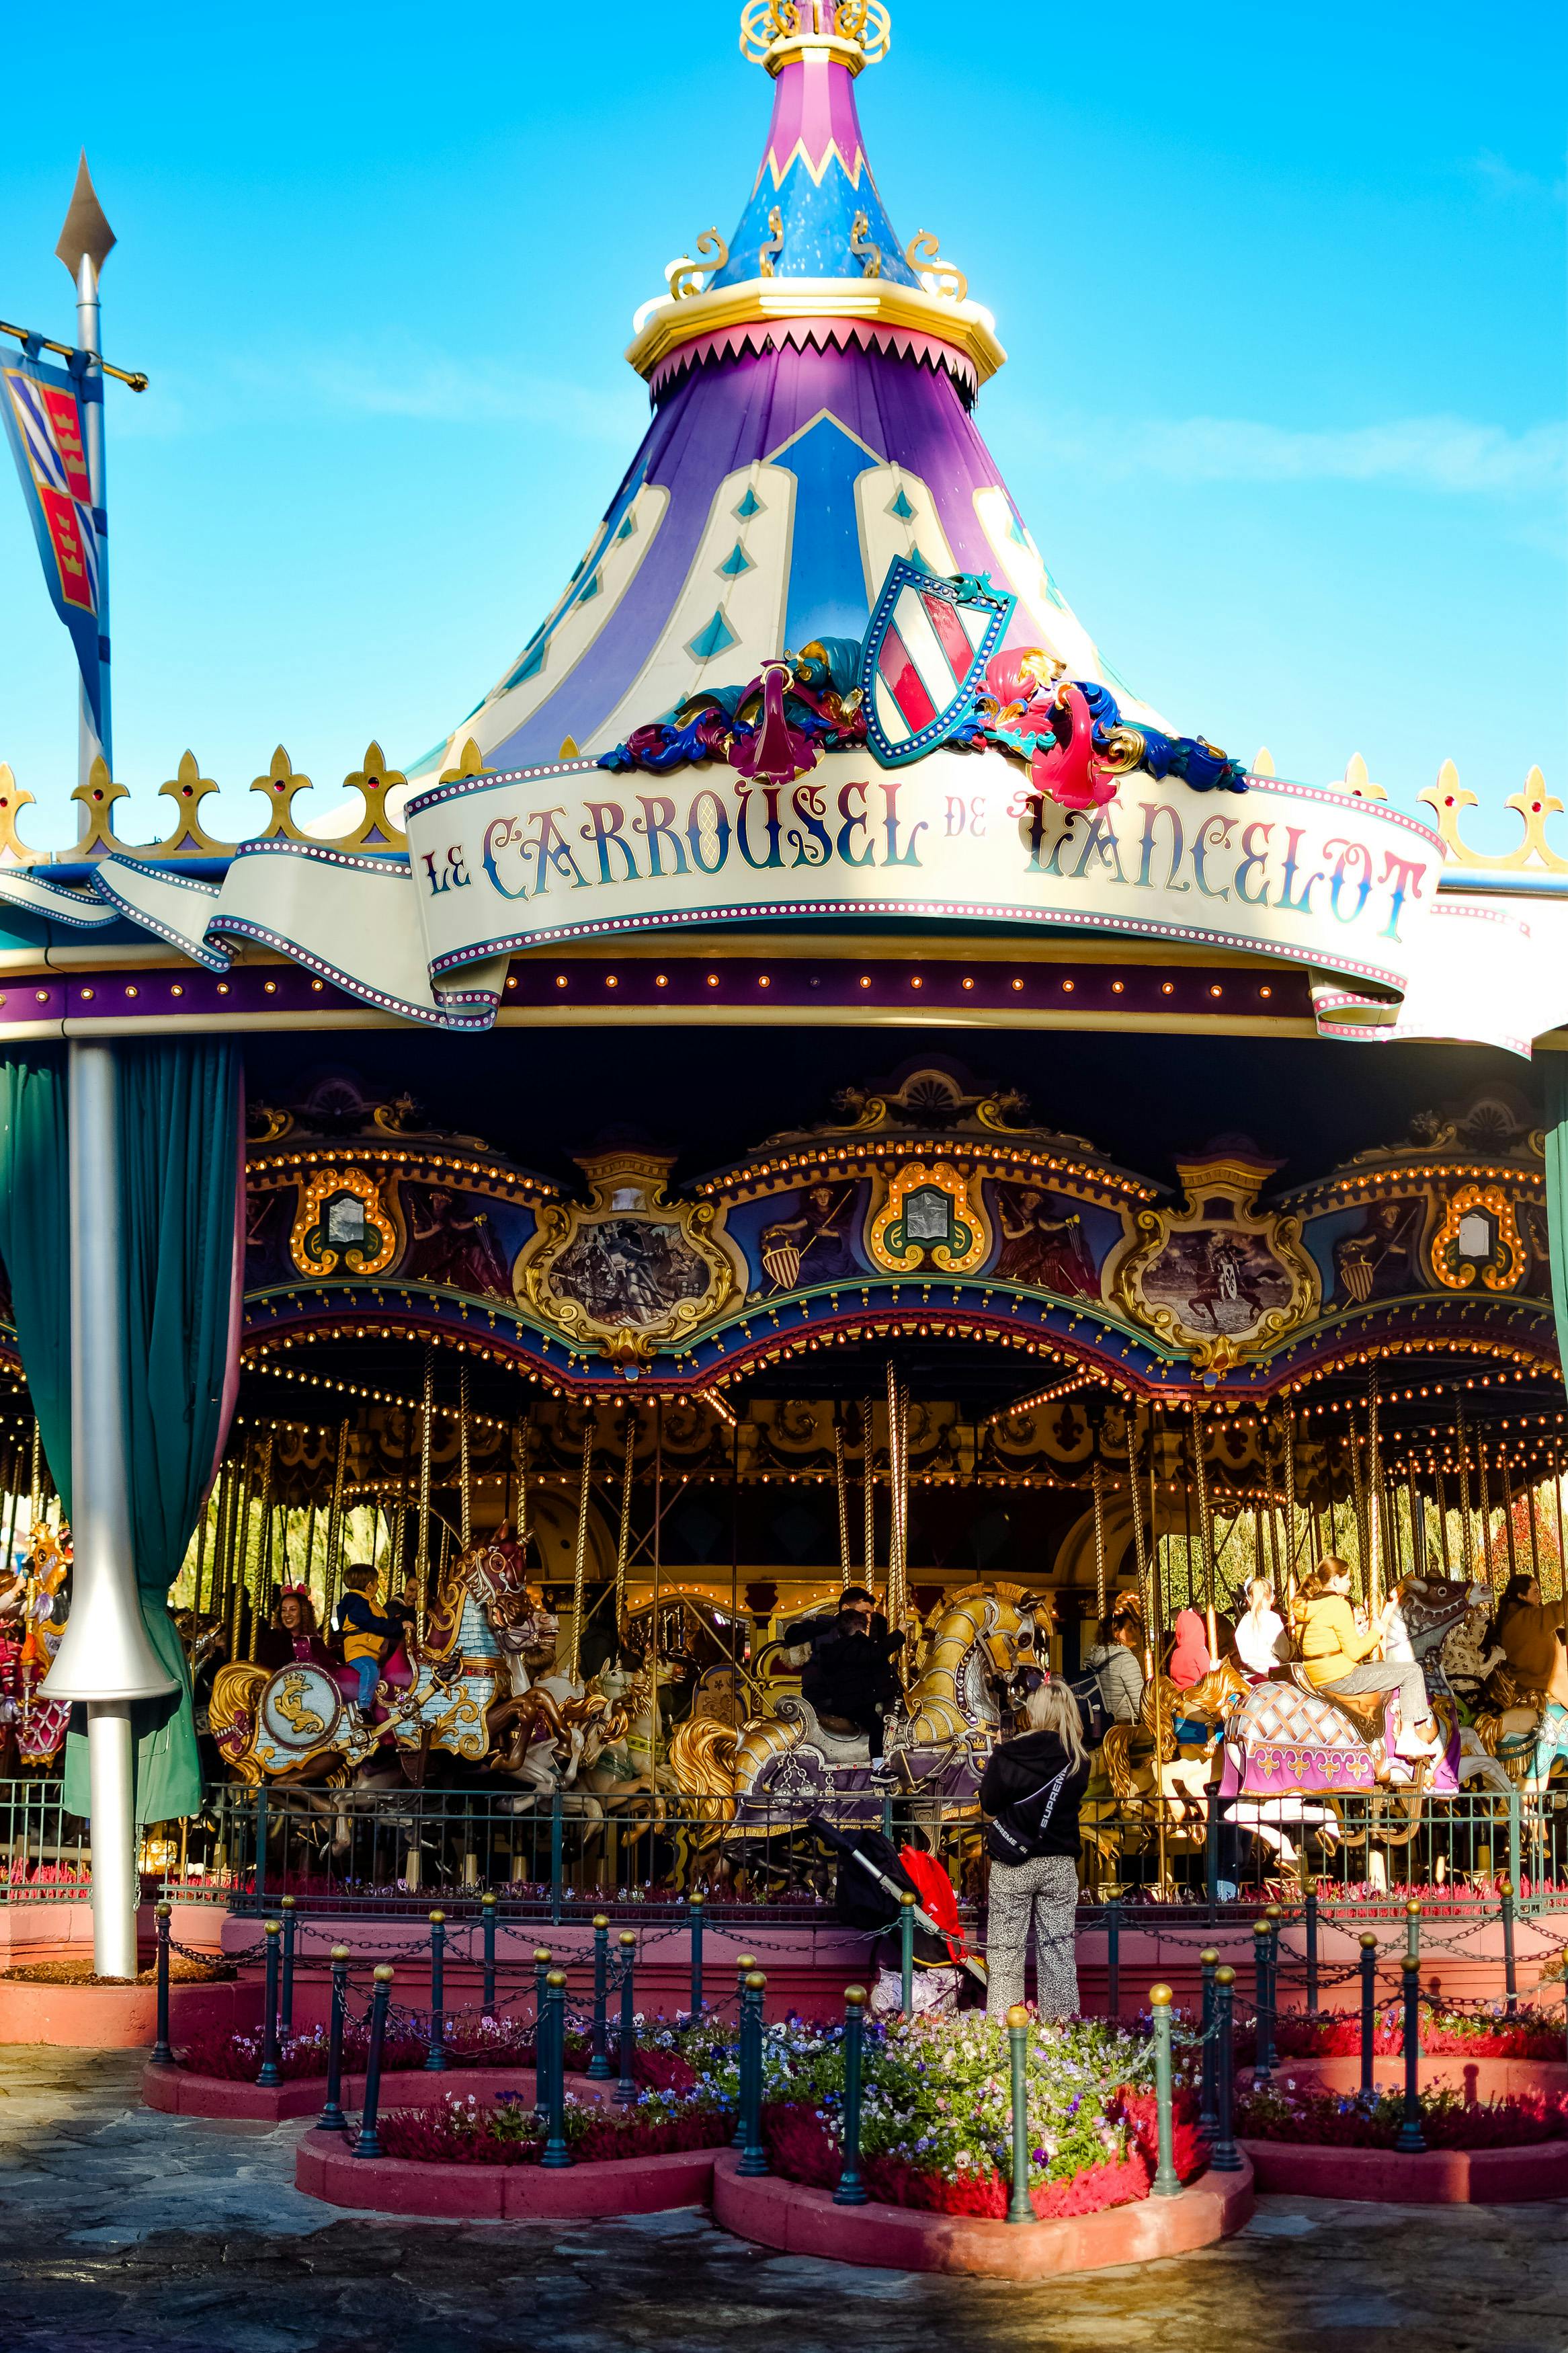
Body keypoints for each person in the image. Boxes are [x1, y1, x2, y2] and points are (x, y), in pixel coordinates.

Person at [980, 1674, 1090, 2019]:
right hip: (1058, 1863)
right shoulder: (1078, 1760)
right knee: (1058, 1951)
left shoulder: (1009, 1753)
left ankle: (1004, 2024)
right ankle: (1060, 2027)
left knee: (1006, 1951)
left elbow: (990, 1803)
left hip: (1013, 1861)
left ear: (1035, 1712)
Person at [1297, 1555, 1442, 1761]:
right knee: (1412, 1671)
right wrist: (1376, 1632)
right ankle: (1408, 1737)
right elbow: (1354, 1652)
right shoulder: (1337, 1605)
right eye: (1347, 1579)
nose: (1350, 1583)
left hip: (1316, 1676)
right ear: (1336, 1580)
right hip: (1340, 1678)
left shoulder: (1308, 1606)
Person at [1493, 1572, 1568, 1710]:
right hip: (1545, 1684)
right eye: (1535, 1592)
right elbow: (1560, 1610)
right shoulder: (1527, 1619)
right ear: (1521, 1596)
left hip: (1524, 1685)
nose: (1540, 1596)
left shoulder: (1510, 1619)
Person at [335, 1564, 400, 1722]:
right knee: (369, 1669)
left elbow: (378, 1621)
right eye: (376, 1582)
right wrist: (395, 1626)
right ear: (369, 1585)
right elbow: (368, 1622)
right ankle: (363, 1710)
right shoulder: (355, 1601)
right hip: (359, 1651)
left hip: (372, 1651)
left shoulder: (370, 1602)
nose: (378, 1586)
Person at [1084, 1606, 1145, 1723]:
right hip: (1125, 1724)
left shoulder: (1094, 1658)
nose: (1135, 1632)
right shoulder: (1126, 1660)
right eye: (1130, 1628)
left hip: (1101, 1721)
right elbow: (1139, 1702)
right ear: (1116, 1632)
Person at [255, 1586, 332, 1673]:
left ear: (303, 1612)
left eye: (293, 1609)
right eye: (284, 1610)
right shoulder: (273, 1639)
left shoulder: (313, 1641)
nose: (287, 1614)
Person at [1233, 1577, 1286, 1681]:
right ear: (1272, 1599)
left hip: (1249, 1677)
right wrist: (1293, 1648)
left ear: (1248, 1600)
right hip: (1272, 1676)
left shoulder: (1243, 1622)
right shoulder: (1273, 1619)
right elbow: (1284, 1653)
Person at [1167, 1607, 1212, 1691]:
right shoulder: (1200, 1652)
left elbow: (1173, 1675)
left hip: (1179, 1693)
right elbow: (1207, 1677)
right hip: (1197, 1693)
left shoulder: (1176, 1653)